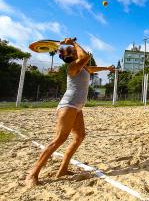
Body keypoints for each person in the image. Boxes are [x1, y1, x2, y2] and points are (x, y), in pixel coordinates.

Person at [25, 37, 115, 187]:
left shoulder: (82, 67)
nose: (75, 51)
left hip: (77, 107)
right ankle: (32, 174)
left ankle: (63, 169)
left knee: (80, 136)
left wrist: (107, 68)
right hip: (68, 106)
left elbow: (91, 68)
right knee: (59, 140)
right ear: (70, 56)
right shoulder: (72, 66)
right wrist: (72, 43)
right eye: (73, 51)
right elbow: (85, 56)